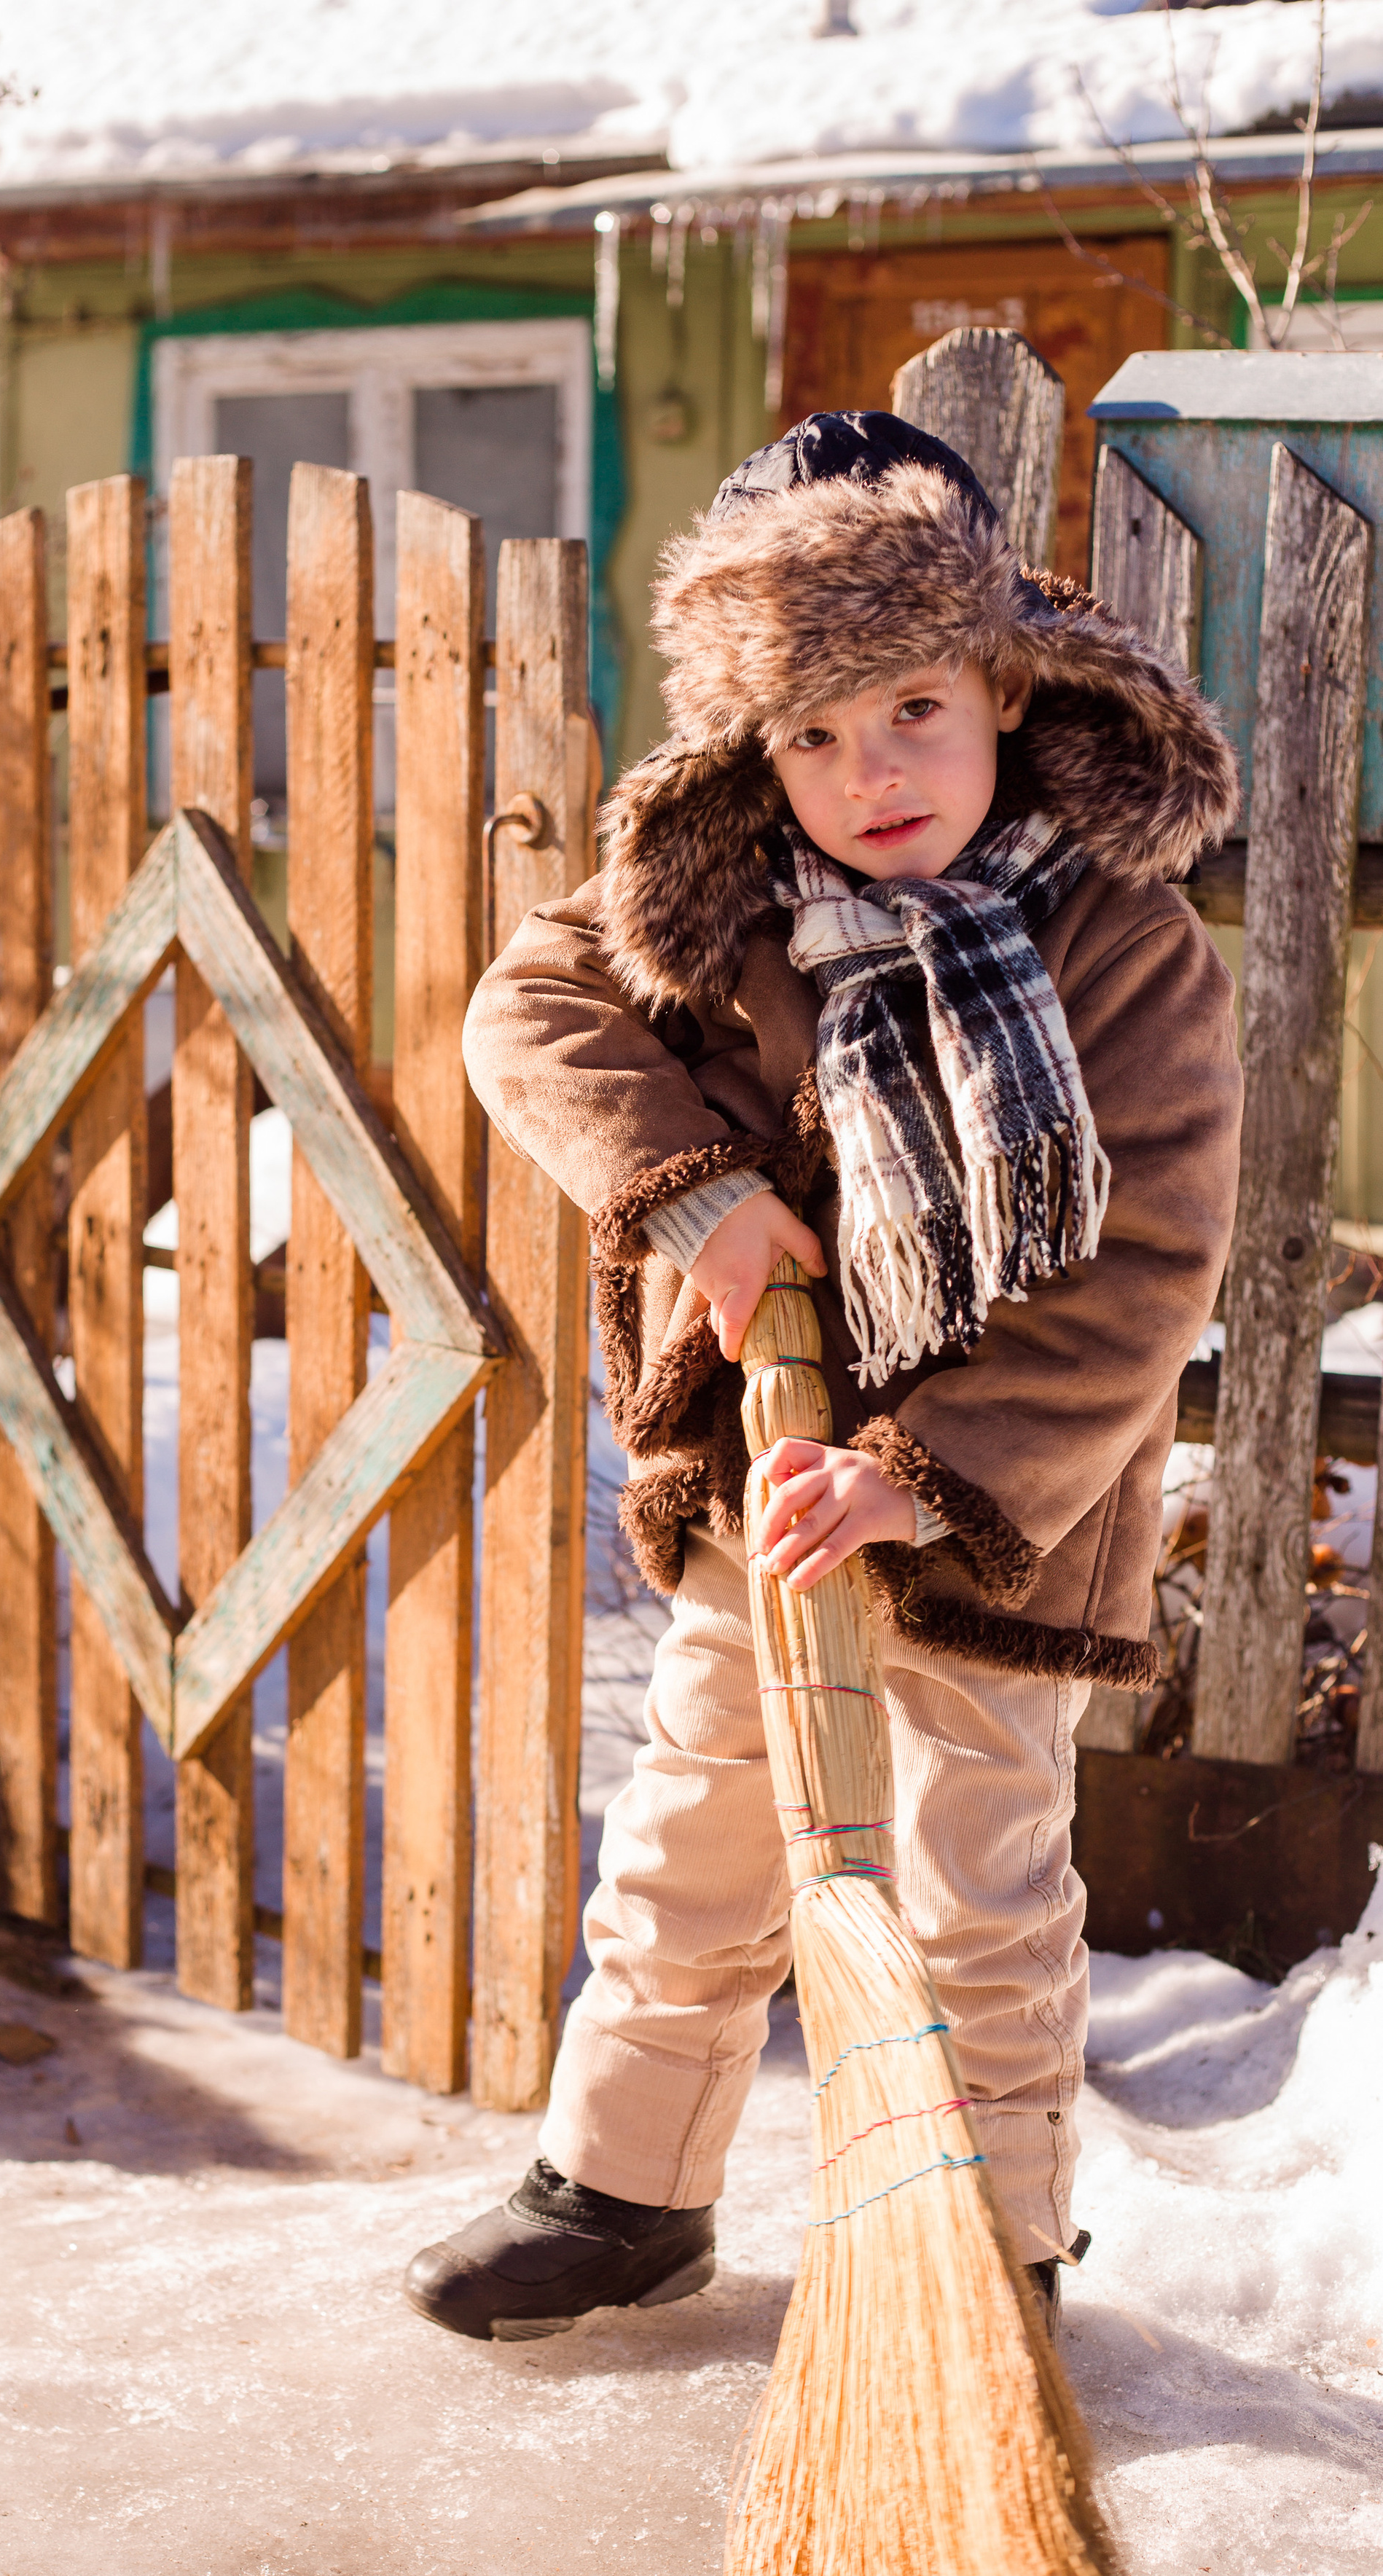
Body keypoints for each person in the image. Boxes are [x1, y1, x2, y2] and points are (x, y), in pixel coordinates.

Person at [405, 410, 1243, 2346]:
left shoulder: (1123, 943)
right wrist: (686, 1186)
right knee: (694, 1853)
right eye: (812, 736)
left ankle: (992, 2252)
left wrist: (927, 1468)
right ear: (752, 746)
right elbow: (527, 1011)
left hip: (989, 1532)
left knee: (974, 1901)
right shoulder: (722, 901)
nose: (868, 777)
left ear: (1004, 689)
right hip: (772, 1498)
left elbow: (1147, 1262)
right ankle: (623, 2191)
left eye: (912, 716)